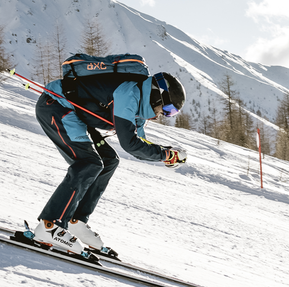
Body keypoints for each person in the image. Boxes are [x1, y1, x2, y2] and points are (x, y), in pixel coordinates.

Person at [33, 68, 186, 256]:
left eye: (171, 113)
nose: (164, 114)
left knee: (108, 161)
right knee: (88, 163)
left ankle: (76, 222)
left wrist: (167, 153)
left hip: (75, 115)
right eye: (168, 109)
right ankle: (50, 225)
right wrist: (164, 155)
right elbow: (130, 144)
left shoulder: (139, 106)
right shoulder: (130, 94)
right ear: (157, 95)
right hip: (56, 106)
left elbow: (141, 143)